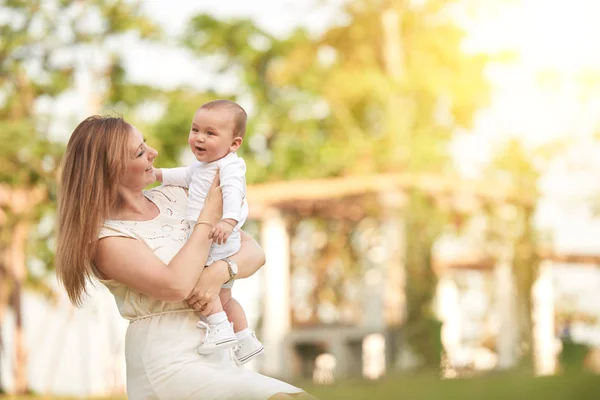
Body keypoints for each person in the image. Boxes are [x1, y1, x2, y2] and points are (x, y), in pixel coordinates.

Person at [55, 115, 314, 400]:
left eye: (146, 144)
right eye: (140, 152)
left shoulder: (177, 196)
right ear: (111, 169)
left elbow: (253, 251)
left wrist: (219, 272)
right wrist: (206, 218)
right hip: (168, 362)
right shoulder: (107, 239)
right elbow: (175, 285)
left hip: (218, 357)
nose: (153, 153)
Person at [153, 99, 262, 363]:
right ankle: (245, 338)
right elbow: (183, 176)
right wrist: (157, 175)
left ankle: (220, 328)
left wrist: (228, 221)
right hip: (212, 236)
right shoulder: (201, 167)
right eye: (195, 130)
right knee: (225, 297)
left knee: (201, 284)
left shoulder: (230, 166)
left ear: (234, 143)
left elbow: (234, 193)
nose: (199, 138)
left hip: (218, 237)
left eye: (210, 133)